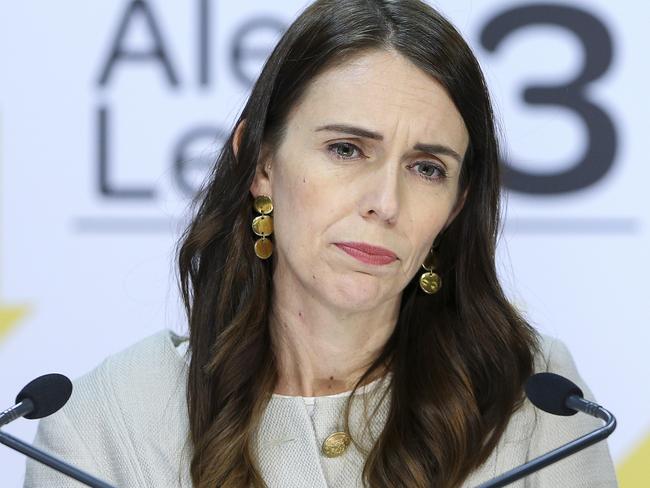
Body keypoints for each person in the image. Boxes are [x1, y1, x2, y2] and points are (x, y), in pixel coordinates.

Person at [24, 0, 618, 487]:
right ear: (259, 164)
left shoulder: (539, 406)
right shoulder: (103, 423)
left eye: (427, 168)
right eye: (346, 150)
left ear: (456, 206)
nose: (386, 203)